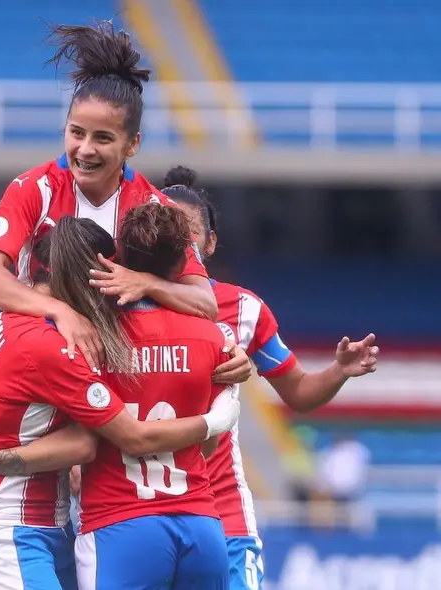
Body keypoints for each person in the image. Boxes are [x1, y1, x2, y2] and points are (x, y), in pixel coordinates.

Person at [0, 215, 241, 590]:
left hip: (43, 522)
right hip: (8, 525)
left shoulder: (8, 320)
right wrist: (217, 419)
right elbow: (109, 439)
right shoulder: (56, 346)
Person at [0, 20, 251, 384]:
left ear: (132, 144)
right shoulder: (35, 189)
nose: (84, 150)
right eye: (76, 132)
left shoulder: (153, 207)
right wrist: (60, 312)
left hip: (115, 374)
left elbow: (205, 303)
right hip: (35, 363)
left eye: (102, 138)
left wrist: (145, 282)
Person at [161, 165, 379, 589]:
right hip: (136, 508)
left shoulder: (244, 309)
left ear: (210, 242)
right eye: (166, 226)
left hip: (221, 507)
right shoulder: (116, 300)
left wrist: (338, 371)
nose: (179, 240)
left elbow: (298, 391)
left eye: (189, 230)